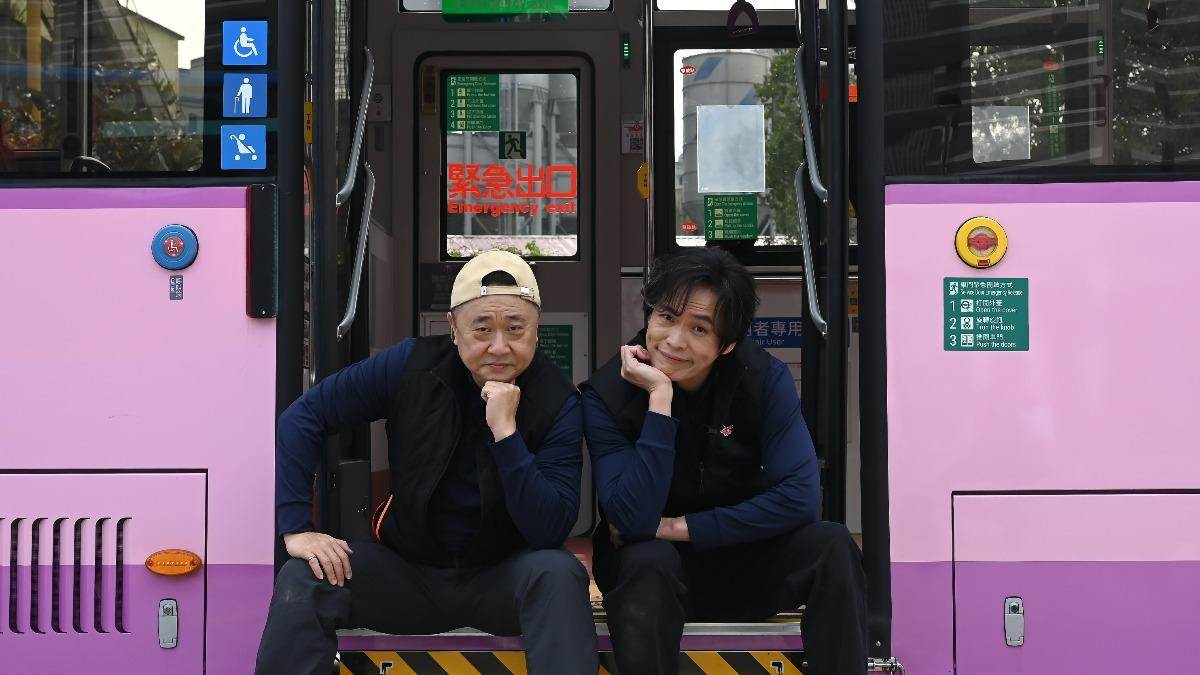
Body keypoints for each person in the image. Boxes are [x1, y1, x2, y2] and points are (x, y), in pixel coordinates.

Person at [255, 250, 598, 675]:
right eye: (482, 328)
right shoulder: (411, 365)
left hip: (502, 578)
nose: (499, 346)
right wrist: (296, 528)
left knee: (560, 574)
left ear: (536, 329)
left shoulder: (559, 400)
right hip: (407, 574)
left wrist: (506, 435)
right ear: (453, 328)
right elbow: (303, 417)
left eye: (515, 328)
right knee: (305, 577)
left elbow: (550, 529)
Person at [582, 248, 868, 675]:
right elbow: (630, 518)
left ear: (728, 344)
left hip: (743, 560)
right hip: (652, 577)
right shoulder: (607, 394)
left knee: (833, 545)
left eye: (699, 328)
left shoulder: (762, 379)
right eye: (666, 317)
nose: (674, 340)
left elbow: (801, 499)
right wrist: (659, 399)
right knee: (647, 560)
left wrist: (675, 527)